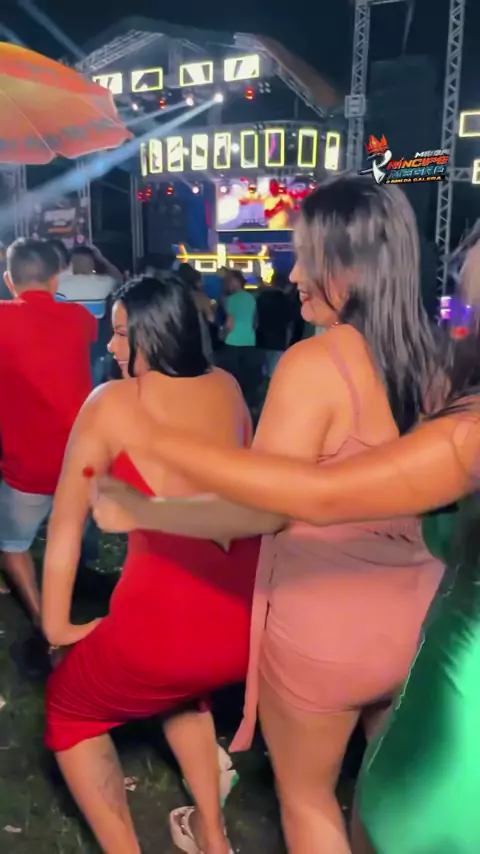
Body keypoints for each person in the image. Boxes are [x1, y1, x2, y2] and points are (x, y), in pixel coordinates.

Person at [86, 174, 444, 854]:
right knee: (382, 794)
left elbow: (255, 513)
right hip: (416, 615)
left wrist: (142, 508)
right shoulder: (435, 358)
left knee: (308, 800)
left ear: (353, 266)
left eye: (308, 257)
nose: (295, 274)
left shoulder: (317, 363)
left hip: (327, 625)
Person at [42, 274, 260, 854]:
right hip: (241, 623)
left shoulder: (112, 403)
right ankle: (212, 836)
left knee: (68, 709)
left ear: (156, 333)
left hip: (164, 628)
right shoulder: (228, 387)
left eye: (121, 334)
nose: (111, 348)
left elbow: (66, 525)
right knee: (183, 691)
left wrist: (56, 626)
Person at [0, 238, 95, 626]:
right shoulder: (80, 319)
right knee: (67, 539)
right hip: (80, 462)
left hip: (25, 466)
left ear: (9, 280)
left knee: (12, 545)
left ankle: (43, 619)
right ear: (56, 279)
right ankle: (64, 607)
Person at [56, 245, 119, 386]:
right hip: (96, 345)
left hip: (68, 346)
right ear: (92, 264)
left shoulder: (59, 284)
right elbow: (118, 278)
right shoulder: (104, 282)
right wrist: (101, 258)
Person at [255, 272, 296, 377]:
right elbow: (289, 325)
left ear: (272, 282)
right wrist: (287, 343)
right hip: (279, 341)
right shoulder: (286, 301)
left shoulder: (261, 298)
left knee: (262, 373)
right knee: (274, 374)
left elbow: (255, 320)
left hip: (261, 339)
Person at [178, 262, 215, 361]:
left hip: (180, 338)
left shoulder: (175, 295)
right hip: (199, 337)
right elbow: (211, 318)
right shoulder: (200, 297)